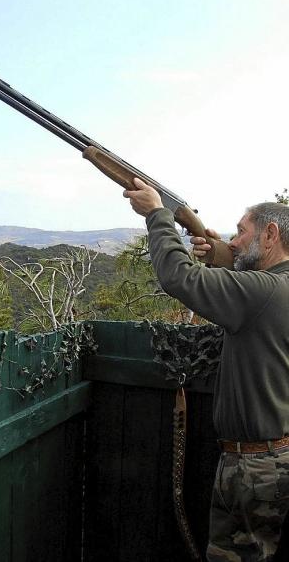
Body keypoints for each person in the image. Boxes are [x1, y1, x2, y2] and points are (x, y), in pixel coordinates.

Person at [123, 177, 289, 562]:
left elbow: (178, 278)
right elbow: (249, 278)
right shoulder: (276, 287)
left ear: (270, 234)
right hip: (266, 458)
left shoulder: (264, 292)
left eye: (241, 232)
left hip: (254, 468)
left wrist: (157, 214)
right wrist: (221, 253)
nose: (233, 240)